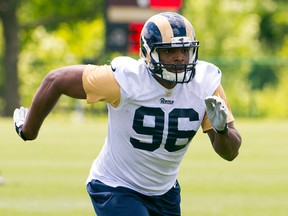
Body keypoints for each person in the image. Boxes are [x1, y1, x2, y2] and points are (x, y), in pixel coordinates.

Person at [13, 12, 242, 216]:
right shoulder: (126, 80)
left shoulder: (205, 84)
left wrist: (221, 129)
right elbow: (57, 80)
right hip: (115, 186)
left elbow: (230, 153)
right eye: (170, 50)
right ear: (148, 53)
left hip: (164, 192)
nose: (180, 57)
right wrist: (28, 130)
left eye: (185, 49)